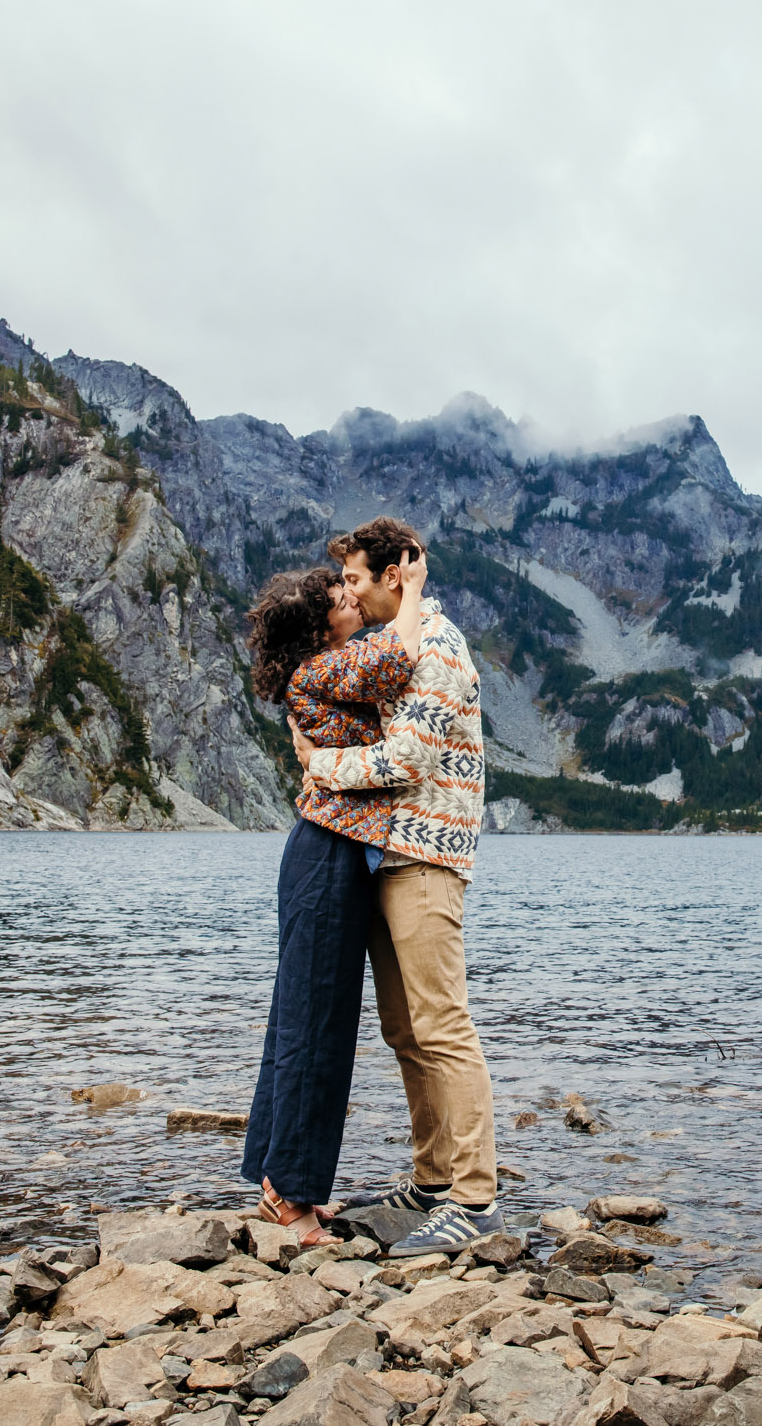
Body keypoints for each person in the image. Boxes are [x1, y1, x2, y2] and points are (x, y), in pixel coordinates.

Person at [288, 517, 498, 1256]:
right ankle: (432, 1179)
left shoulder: (436, 647)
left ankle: (475, 1197)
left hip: (426, 859)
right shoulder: (392, 646)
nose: (345, 590)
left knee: (443, 1025)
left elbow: (405, 759)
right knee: (405, 1029)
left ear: (394, 577)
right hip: (387, 856)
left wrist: (322, 768)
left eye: (354, 578)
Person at [238, 558, 427, 1243]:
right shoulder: (322, 668)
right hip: (325, 853)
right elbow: (400, 656)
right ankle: (290, 1195)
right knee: (313, 1024)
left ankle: (279, 1178)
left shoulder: (326, 666)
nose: (352, 594)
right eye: (338, 593)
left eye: (348, 586)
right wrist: (416, 590)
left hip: (326, 852)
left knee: (308, 1018)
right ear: (320, 623)